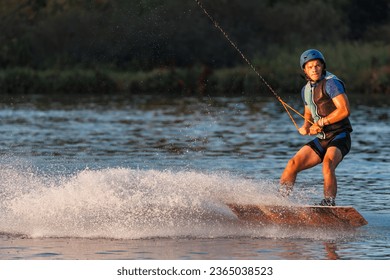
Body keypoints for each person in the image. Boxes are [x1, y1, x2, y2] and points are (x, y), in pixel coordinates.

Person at [280, 49, 353, 206]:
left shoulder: (332, 83)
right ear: (305, 70)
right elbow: (308, 113)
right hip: (322, 139)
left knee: (328, 163)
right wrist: (306, 126)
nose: (314, 69)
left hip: (340, 136)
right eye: (310, 66)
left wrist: (321, 123)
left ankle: (329, 203)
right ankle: (280, 202)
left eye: (317, 65)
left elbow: (345, 110)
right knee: (292, 164)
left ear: (323, 66)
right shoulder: (306, 89)